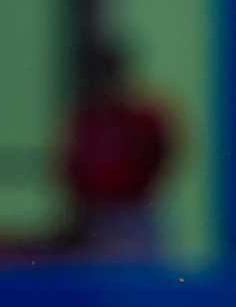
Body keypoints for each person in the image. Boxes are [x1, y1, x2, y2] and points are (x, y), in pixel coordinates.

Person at [60, 46, 173, 260]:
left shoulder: (144, 119)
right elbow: (71, 167)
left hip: (137, 211)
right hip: (97, 216)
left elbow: (161, 159)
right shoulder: (87, 120)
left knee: (144, 273)